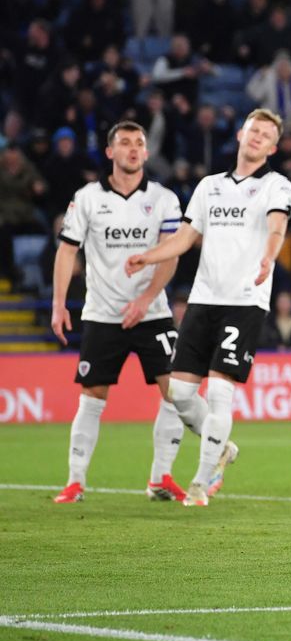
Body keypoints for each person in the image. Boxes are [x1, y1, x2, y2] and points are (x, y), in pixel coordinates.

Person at [125, 108, 291, 507]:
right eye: (253, 129)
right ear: (240, 134)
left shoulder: (277, 186)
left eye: (266, 134)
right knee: (180, 393)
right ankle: (221, 445)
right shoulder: (208, 187)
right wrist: (148, 257)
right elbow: (185, 238)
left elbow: (276, 227)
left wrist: (269, 257)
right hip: (203, 300)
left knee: (220, 391)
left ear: (272, 147)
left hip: (244, 302)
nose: (257, 136)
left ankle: (201, 482)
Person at [50, 122, 189, 504]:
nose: (132, 148)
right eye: (124, 142)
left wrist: (146, 298)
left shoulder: (163, 199)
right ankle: (75, 481)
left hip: (153, 313)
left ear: (146, 153)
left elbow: (170, 253)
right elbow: (67, 251)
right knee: (92, 397)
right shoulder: (88, 198)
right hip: (102, 314)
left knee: (176, 392)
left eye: (139, 143)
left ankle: (161, 477)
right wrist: (59, 303)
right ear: (109, 152)